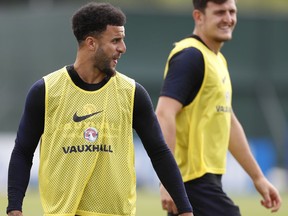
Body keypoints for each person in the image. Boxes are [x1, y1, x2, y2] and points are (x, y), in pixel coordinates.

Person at [6, 2, 194, 216]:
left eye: (122, 40)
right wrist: (14, 206)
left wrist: (185, 208)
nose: (122, 48)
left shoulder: (132, 93)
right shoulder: (46, 91)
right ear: (91, 43)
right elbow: (22, 151)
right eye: (115, 40)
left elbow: (159, 152)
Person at [155, 0, 282, 215]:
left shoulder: (217, 59)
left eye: (232, 11)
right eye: (220, 12)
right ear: (199, 16)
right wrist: (167, 180)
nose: (228, 18)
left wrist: (258, 177)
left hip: (206, 181)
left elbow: (229, 122)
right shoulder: (190, 56)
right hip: (191, 181)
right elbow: (164, 113)